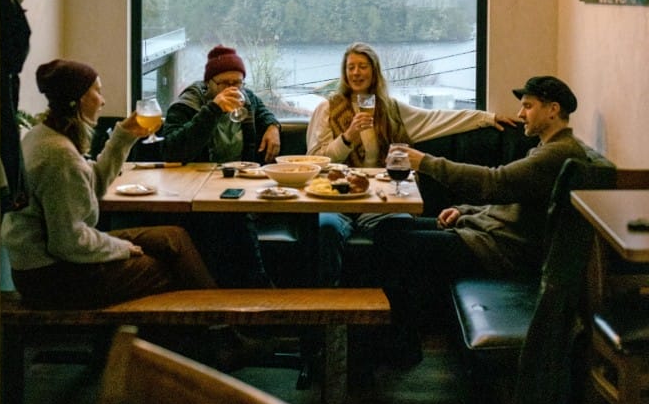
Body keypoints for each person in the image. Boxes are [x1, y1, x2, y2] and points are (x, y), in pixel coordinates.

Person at [372, 74, 586, 369]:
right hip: (489, 237)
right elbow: (507, 198)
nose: (521, 114)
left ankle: (402, 345)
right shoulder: (545, 148)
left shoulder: (558, 154)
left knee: (396, 240)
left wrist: (425, 162)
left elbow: (494, 182)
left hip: (499, 252)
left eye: (528, 106)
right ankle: (402, 340)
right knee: (390, 228)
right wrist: (464, 211)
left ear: (552, 109)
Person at [1, 58, 219, 308]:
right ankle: (214, 334)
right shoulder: (58, 155)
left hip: (52, 262)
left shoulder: (44, 134)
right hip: (49, 276)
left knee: (173, 238)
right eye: (98, 91)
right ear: (80, 98)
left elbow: (91, 186)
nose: (103, 100)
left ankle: (215, 328)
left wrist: (123, 137)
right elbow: (69, 242)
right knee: (166, 268)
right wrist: (122, 248)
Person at [306, 42, 518, 287]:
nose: (356, 73)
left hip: (380, 200)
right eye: (351, 67)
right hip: (336, 199)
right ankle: (330, 306)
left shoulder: (391, 108)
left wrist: (487, 118)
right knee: (326, 230)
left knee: (402, 231)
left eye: (362, 66)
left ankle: (388, 304)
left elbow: (438, 118)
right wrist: (347, 138)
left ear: (374, 71)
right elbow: (316, 161)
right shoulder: (327, 109)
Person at [161, 45, 281, 286]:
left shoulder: (246, 99)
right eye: (224, 83)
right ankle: (256, 292)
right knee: (231, 222)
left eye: (238, 82)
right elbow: (171, 150)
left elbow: (263, 110)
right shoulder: (186, 105)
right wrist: (213, 110)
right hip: (195, 193)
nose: (233, 90)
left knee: (234, 216)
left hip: (237, 188)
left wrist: (273, 127)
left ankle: (248, 297)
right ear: (209, 84)